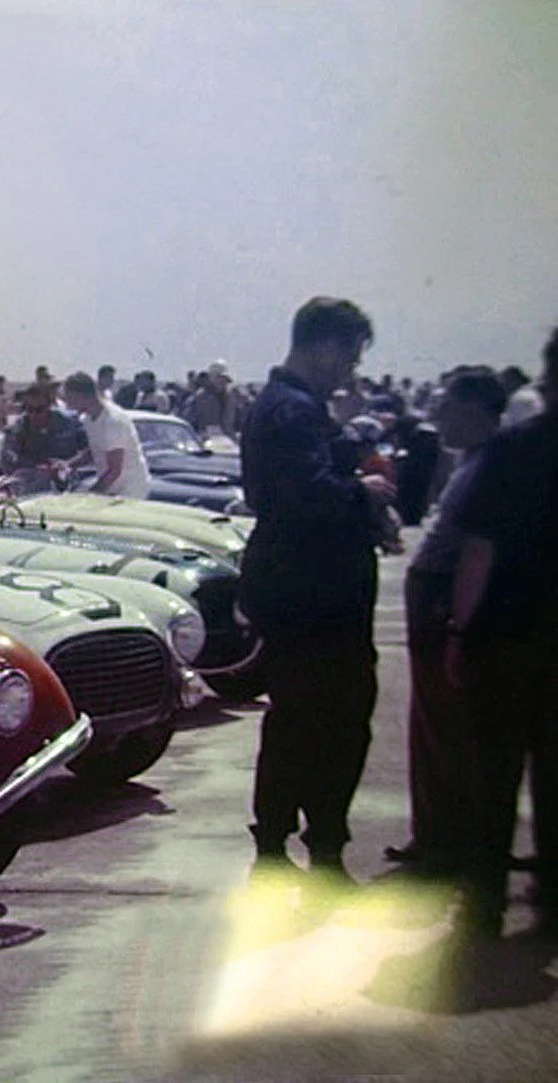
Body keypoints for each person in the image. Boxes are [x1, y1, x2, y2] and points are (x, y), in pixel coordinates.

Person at [237, 297, 395, 880]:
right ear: (324, 346)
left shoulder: (288, 407)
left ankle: (278, 842)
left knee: (295, 721)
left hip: (297, 589)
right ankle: (321, 846)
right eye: (350, 354)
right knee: (334, 722)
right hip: (317, 594)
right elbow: (310, 494)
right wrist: (367, 494)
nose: (351, 367)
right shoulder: (295, 412)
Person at [447, 328, 558, 935]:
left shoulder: (511, 450)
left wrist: (459, 634)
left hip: (506, 637)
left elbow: (478, 552)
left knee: (492, 775)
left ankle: (484, 899)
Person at [386, 370, 506, 877]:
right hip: (432, 594)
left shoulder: (490, 469)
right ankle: (435, 833)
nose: (439, 419)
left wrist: (456, 616)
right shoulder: (472, 464)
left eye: (450, 409)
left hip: (441, 597)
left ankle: (444, 839)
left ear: (479, 412)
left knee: (443, 722)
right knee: (431, 721)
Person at [60, 371, 151, 499]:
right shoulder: (88, 419)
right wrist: (68, 464)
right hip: (111, 487)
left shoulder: (113, 420)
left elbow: (115, 470)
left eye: (70, 398)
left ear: (82, 396)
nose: (68, 404)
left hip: (130, 490)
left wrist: (91, 494)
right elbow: (96, 450)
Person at [0, 382, 88, 492]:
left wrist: (68, 463)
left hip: (69, 478)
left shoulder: (70, 423)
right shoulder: (18, 428)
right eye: (29, 409)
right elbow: (9, 457)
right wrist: (36, 467)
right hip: (33, 481)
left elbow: (88, 451)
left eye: (39, 410)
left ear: (49, 405)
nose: (33, 414)